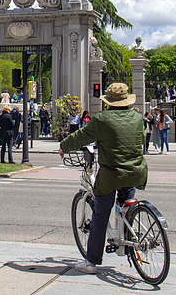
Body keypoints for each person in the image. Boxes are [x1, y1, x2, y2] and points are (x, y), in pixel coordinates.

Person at [58, 82, 147, 274]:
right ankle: (128, 245)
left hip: (112, 174)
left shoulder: (102, 119)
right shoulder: (137, 118)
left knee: (100, 214)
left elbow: (82, 136)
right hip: (136, 170)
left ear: (109, 102)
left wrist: (64, 146)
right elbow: (141, 141)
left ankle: (91, 262)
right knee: (125, 205)